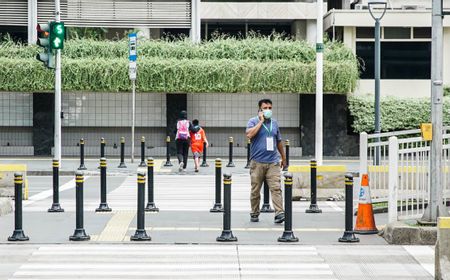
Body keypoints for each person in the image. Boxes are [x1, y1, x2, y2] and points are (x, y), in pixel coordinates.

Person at [246, 99, 287, 224]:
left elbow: (278, 141)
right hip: (257, 162)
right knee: (255, 190)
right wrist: (261, 121)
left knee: (276, 188)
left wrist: (283, 157)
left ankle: (279, 212)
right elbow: (249, 135)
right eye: (265, 108)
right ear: (260, 109)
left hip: (273, 162)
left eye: (270, 107)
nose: (268, 110)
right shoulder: (253, 121)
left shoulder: (274, 123)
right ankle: (254, 212)